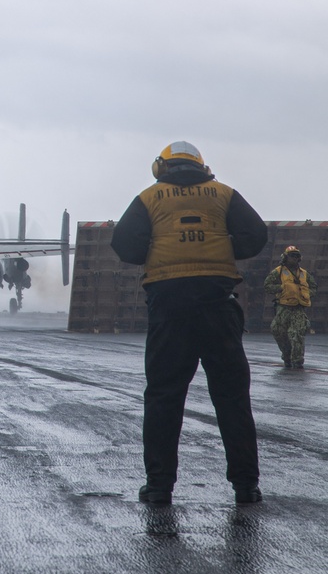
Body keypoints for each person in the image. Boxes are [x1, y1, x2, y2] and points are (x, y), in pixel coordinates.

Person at [111, 141, 268, 505]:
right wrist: (222, 247)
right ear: (201, 166)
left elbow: (125, 247)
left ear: (162, 168)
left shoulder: (149, 198)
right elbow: (256, 236)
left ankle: (159, 487)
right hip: (218, 306)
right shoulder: (224, 194)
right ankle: (246, 486)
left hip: (169, 309)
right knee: (232, 399)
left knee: (164, 397)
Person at [264, 246, 318, 369]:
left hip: (298, 308)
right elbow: (267, 285)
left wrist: (307, 294)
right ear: (285, 257)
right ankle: (287, 356)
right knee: (278, 331)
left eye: (296, 256)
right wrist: (281, 288)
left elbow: (313, 286)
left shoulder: (304, 274)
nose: (294, 258)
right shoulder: (278, 272)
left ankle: (297, 361)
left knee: (297, 333)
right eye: (292, 256)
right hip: (283, 307)